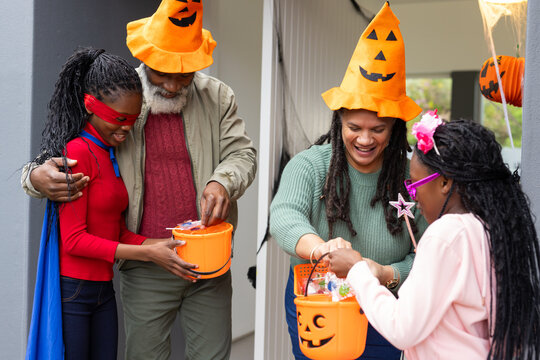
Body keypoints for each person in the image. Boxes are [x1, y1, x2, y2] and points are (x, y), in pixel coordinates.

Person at [21, 1, 257, 359]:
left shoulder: (219, 97)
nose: (174, 84)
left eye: (186, 74)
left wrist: (222, 181)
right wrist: (36, 176)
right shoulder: (123, 96)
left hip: (209, 261)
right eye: (164, 72)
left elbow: (243, 155)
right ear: (147, 57)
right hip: (146, 261)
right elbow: (64, 148)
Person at [269, 3, 427, 359]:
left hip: (386, 309)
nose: (365, 140)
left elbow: (430, 255)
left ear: (396, 129)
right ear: (338, 122)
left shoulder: (412, 179)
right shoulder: (310, 165)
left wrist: (385, 272)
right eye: (354, 128)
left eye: (378, 130)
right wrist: (320, 248)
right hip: (319, 307)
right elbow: (283, 217)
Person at [329, 115, 540, 359]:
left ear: (445, 183)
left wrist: (356, 270)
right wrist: (377, 273)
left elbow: (402, 328)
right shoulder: (487, 229)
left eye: (416, 185)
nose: (413, 196)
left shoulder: (445, 235)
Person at [27, 47, 188, 359]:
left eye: (132, 119)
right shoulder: (78, 153)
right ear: (90, 105)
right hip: (73, 293)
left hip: (103, 291)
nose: (126, 128)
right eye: (118, 118)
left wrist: (164, 245)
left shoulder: (110, 153)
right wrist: (146, 252)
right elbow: (74, 240)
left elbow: (114, 234)